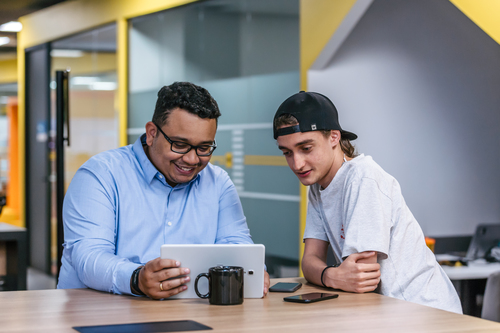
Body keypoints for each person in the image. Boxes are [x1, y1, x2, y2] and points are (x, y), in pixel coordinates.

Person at [58, 82, 270, 299]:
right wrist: (136, 278)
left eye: (204, 148)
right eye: (179, 144)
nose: (192, 159)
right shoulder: (101, 175)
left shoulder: (218, 183)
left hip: (183, 316)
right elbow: (88, 257)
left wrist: (252, 269)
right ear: (151, 134)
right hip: (96, 314)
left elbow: (237, 244)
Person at [273, 91, 462, 313]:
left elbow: (361, 280)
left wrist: (327, 274)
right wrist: (333, 275)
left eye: (306, 148)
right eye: (287, 152)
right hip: (388, 311)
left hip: (424, 312)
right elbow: (310, 262)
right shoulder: (317, 185)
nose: (297, 164)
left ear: (334, 137)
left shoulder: (363, 178)